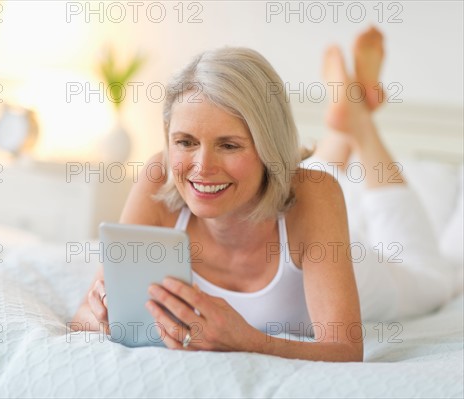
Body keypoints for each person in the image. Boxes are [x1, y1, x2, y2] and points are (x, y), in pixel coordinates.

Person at [71, 27, 457, 362]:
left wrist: (243, 340)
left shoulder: (315, 194)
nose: (201, 167)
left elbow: (344, 351)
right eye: (185, 141)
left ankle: (360, 126)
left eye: (229, 145)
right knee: (285, 181)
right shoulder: (159, 177)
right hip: (280, 199)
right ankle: (347, 120)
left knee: (430, 272)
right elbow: (82, 318)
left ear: (268, 146)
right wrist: (100, 317)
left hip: (365, 272)